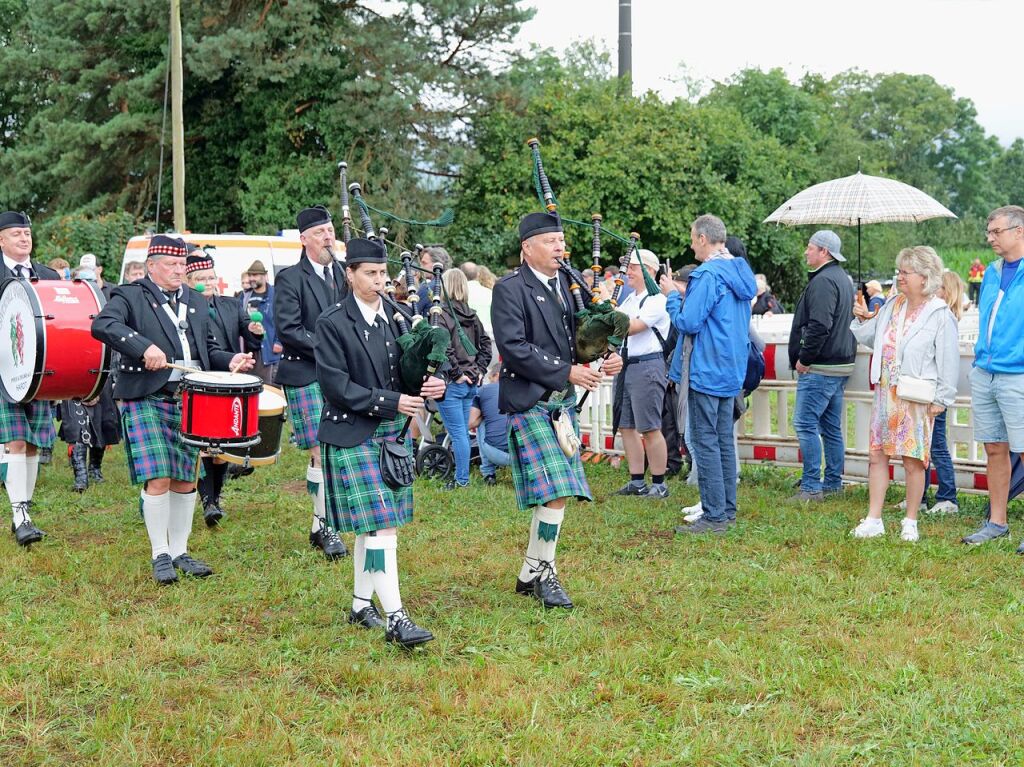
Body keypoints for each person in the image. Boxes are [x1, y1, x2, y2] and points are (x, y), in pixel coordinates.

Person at [92, 235, 255, 583]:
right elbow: (103, 325)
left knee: (184, 478)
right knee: (158, 477)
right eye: (171, 265)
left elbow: (209, 350)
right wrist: (142, 346)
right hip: (147, 395)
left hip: (189, 397)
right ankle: (160, 554)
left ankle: (180, 551)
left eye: (182, 264)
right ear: (152, 266)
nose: (179, 270)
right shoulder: (130, 295)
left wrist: (232, 360)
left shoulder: (195, 301)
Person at [315, 237, 446, 647]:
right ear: (350, 274)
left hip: (389, 434)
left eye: (382, 274)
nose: (378, 281)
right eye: (369, 274)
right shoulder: (332, 323)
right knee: (381, 527)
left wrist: (429, 384)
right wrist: (392, 401)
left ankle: (359, 604)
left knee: (373, 528)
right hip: (352, 432)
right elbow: (336, 387)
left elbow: (406, 373)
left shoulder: (397, 316)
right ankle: (397, 618)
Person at [491, 212, 622, 608]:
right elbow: (513, 347)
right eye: (550, 241)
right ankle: (543, 573)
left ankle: (532, 571)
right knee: (557, 491)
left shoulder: (568, 285)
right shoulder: (509, 289)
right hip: (531, 400)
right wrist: (567, 370)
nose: (559, 248)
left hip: (560, 403)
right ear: (527, 248)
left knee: (556, 493)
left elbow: (581, 336)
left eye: (562, 240)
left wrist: (606, 355)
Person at [849, 247, 958, 542]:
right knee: (877, 456)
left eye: (905, 272)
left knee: (913, 460)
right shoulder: (893, 305)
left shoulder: (939, 313)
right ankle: (874, 518)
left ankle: (910, 520)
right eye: (899, 271)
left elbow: (949, 359)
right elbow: (873, 337)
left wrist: (942, 399)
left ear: (924, 277)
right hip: (886, 393)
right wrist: (861, 319)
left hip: (915, 397)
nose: (899, 277)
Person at [669, 215, 756, 535]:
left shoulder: (707, 275)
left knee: (706, 443)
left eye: (693, 238)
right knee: (721, 441)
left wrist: (672, 299)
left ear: (704, 238)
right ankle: (726, 510)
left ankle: (715, 516)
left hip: (707, 368)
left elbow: (688, 322)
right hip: (731, 368)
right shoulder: (740, 271)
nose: (691, 244)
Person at [274, 205, 350, 559]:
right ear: (304, 239)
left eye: (330, 230)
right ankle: (327, 526)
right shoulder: (290, 278)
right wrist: (330, 349)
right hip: (305, 372)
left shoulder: (343, 274)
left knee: (334, 449)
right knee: (322, 449)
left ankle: (320, 523)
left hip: (339, 373)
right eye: (320, 232)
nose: (328, 237)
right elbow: (289, 330)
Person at [183, 247, 263, 526]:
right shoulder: (189, 308)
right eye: (202, 277)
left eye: (212, 276)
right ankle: (208, 501)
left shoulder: (230, 304)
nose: (210, 282)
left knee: (222, 445)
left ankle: (214, 498)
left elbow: (250, 338)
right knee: (205, 446)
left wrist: (255, 333)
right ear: (189, 281)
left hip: (229, 380)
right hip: (201, 378)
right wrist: (232, 359)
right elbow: (208, 348)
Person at [962, 206, 1024, 546]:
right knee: (994, 448)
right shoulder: (990, 272)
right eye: (989, 232)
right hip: (985, 372)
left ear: (1019, 231)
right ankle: (997, 523)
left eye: (996, 231)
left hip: (1018, 374)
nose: (990, 238)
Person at [0, 211, 62, 546]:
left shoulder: (48, 275)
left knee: (36, 441)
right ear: (1, 240)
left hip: (41, 372)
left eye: (27, 233)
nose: (24, 239)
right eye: (16, 234)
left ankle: (23, 509)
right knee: (16, 440)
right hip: (3, 372)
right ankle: (19, 514)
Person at [788, 230, 857, 503]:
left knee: (805, 424)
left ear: (824, 252)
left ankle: (811, 487)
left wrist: (804, 359)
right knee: (830, 427)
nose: (806, 252)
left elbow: (819, 325)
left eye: (810, 247)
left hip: (821, 366)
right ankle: (832, 482)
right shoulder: (842, 278)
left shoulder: (824, 281)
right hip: (840, 364)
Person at [612, 248, 671, 498]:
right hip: (627, 365)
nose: (628, 273)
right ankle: (637, 480)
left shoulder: (656, 300)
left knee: (649, 427)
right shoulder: (630, 300)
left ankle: (659, 483)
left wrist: (608, 316)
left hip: (648, 365)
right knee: (626, 425)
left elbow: (633, 327)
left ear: (649, 270)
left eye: (633, 267)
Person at [58, 265, 120, 492]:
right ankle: (80, 476)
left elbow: (114, 346)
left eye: (92, 280)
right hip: (74, 376)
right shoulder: (64, 308)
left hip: (101, 375)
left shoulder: (106, 307)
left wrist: (109, 380)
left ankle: (95, 468)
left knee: (103, 425)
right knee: (77, 427)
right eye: (83, 280)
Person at [911, 269, 966, 515]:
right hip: (925, 390)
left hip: (935, 392)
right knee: (920, 444)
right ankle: (919, 495)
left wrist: (941, 396)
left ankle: (947, 496)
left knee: (937, 445)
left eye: (937, 288)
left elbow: (947, 360)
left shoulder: (946, 319)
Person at [435, 268, 492, 489]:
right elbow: (486, 345)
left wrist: (458, 374)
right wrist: (478, 371)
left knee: (458, 434)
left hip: (454, 383)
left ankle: (461, 480)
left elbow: (444, 348)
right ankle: (461, 477)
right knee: (462, 433)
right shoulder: (472, 315)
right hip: (469, 381)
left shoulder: (442, 315)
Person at [239, 260, 280, 385]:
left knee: (270, 390)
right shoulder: (244, 296)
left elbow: (283, 319)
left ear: (264, 276)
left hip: (269, 351)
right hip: (250, 353)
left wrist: (279, 341)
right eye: (250, 275)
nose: (252, 278)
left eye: (255, 275)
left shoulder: (276, 294)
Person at [469, 362, 511, 484]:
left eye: (490, 377)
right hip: (523, 456)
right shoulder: (521, 391)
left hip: (496, 454)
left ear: (496, 375)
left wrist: (484, 414)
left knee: (481, 422)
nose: (489, 380)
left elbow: (471, 423)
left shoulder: (483, 390)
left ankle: (488, 474)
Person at [460, 260, 494, 336]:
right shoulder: (489, 293)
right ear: (478, 274)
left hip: (470, 335)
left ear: (461, 275)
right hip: (489, 334)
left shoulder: (460, 294)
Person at [415, 246, 451, 315]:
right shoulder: (452, 286)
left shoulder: (428, 288)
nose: (420, 267)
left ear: (437, 265)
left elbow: (414, 311)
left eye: (424, 263)